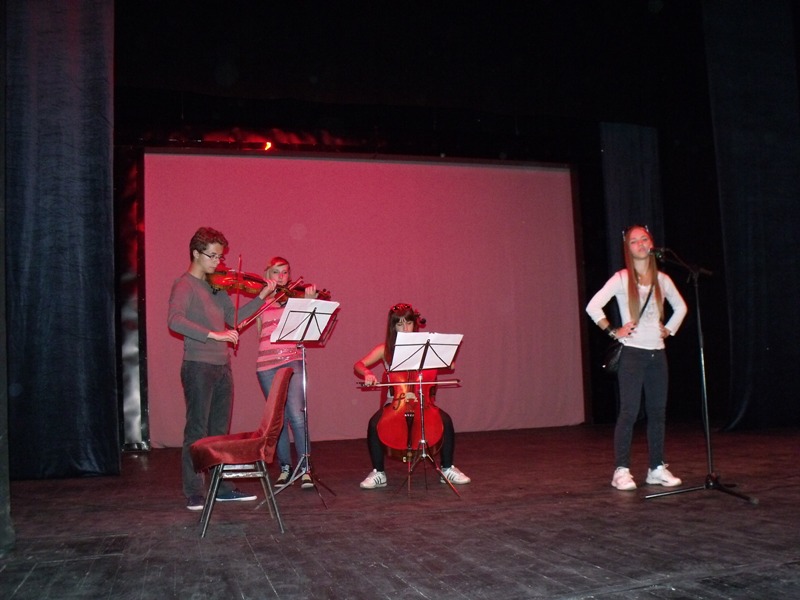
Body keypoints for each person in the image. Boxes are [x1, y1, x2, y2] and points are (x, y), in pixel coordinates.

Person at [168, 227, 276, 511]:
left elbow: (234, 318)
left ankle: (221, 488)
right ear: (196, 253)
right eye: (213, 256)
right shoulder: (184, 285)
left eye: (220, 257)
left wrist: (262, 296)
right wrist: (213, 335)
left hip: (222, 367)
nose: (218, 262)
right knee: (197, 431)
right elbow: (175, 320)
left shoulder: (217, 286)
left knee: (219, 433)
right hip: (198, 367)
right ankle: (194, 491)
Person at [586, 225, 688, 491]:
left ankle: (656, 468)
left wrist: (669, 329)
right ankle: (621, 470)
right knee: (629, 412)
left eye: (644, 239)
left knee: (657, 413)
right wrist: (613, 331)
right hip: (632, 353)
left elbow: (681, 307)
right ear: (628, 248)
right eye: (634, 241)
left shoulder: (662, 279)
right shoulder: (621, 278)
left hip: (657, 354)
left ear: (651, 243)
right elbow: (593, 306)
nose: (641, 244)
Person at [353, 302, 471, 489]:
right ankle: (378, 472)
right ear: (393, 327)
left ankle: (447, 468)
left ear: (415, 324)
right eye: (399, 324)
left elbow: (450, 365)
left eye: (408, 323)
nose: (405, 328)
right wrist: (367, 373)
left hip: (423, 402)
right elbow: (359, 364)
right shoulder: (385, 349)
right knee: (374, 424)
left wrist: (445, 359)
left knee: (446, 421)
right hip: (396, 403)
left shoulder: (425, 348)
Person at [255, 256, 319, 490]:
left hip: (292, 359)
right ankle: (285, 467)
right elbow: (260, 333)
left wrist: (308, 304)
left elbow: (305, 333)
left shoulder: (296, 300)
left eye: (285, 272)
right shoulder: (260, 300)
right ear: (267, 275)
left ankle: (305, 467)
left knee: (297, 415)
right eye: (276, 272)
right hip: (266, 364)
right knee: (277, 418)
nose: (281, 277)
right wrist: (263, 298)